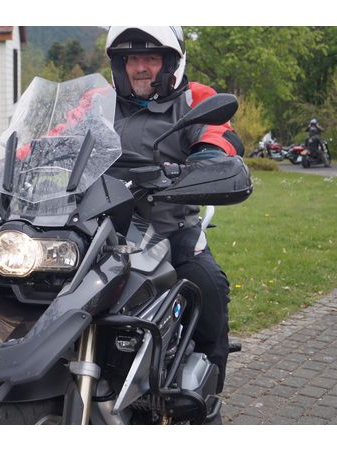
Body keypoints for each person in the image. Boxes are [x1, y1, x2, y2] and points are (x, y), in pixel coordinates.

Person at [104, 27, 244, 406]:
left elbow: (220, 134)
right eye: (133, 59)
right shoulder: (98, 101)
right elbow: (56, 131)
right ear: (121, 65)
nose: (141, 68)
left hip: (169, 232)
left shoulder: (196, 97)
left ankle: (205, 395)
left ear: (170, 64)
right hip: (100, 232)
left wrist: (205, 160)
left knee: (210, 287)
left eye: (151, 58)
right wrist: (10, 160)